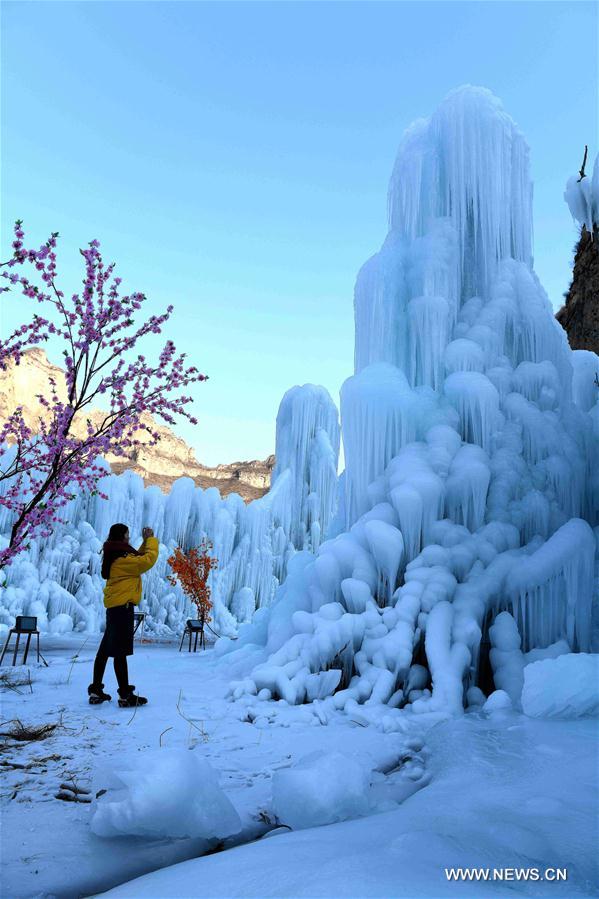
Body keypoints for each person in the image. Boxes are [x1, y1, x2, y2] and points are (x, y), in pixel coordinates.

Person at [88, 523, 159, 708]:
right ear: (121, 537)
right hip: (122, 610)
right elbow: (146, 560)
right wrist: (151, 540)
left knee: (104, 651)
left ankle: (96, 690)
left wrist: (145, 542)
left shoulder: (115, 556)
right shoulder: (122, 560)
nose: (129, 537)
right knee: (120, 653)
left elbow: (136, 557)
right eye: (127, 534)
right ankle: (125, 695)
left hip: (115, 610)